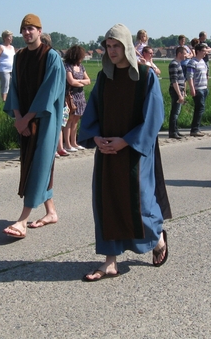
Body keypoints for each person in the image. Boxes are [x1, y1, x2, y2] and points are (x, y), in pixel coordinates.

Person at [78, 23, 171, 281]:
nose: (112, 51)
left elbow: (154, 117)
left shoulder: (145, 76)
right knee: (107, 203)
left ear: (127, 46)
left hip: (134, 153)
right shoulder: (104, 79)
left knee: (140, 202)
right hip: (107, 152)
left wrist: (126, 141)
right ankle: (110, 261)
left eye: (116, 45)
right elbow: (92, 113)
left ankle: (157, 238)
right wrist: (96, 138)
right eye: (108, 46)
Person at [2, 14, 66, 238]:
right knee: (34, 163)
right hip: (25, 121)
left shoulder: (51, 58)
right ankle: (51, 212)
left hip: (45, 121)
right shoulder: (19, 57)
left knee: (38, 164)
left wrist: (27, 119)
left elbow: (48, 93)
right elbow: (15, 88)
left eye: (31, 28)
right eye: (24, 29)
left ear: (40, 31)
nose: (27, 32)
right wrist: (19, 118)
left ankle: (22, 220)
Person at [63, 45, 91, 152]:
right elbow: (71, 81)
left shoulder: (81, 67)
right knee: (69, 120)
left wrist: (78, 82)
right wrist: (81, 82)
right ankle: (68, 144)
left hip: (80, 96)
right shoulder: (67, 67)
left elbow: (88, 80)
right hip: (71, 96)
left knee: (76, 120)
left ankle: (74, 142)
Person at [186, 43, 210, 137]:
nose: (205, 53)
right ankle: (194, 129)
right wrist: (192, 88)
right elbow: (190, 76)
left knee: (200, 109)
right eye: (203, 51)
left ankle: (197, 128)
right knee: (199, 108)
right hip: (198, 88)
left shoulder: (202, 61)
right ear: (198, 51)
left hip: (204, 88)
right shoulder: (193, 62)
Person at [168, 46, 186, 139]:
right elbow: (174, 81)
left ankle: (175, 130)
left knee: (177, 112)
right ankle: (172, 132)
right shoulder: (174, 64)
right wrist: (179, 94)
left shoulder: (178, 63)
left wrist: (183, 92)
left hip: (180, 90)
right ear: (179, 54)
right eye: (184, 53)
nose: (186, 55)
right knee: (175, 112)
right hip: (176, 90)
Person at [0, 30, 15, 102]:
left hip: (12, 69)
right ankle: (4, 100)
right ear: (5, 38)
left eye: (11, 37)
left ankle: (10, 99)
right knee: (5, 84)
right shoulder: (1, 47)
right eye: (9, 37)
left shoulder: (12, 47)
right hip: (3, 69)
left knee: (11, 84)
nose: (11, 38)